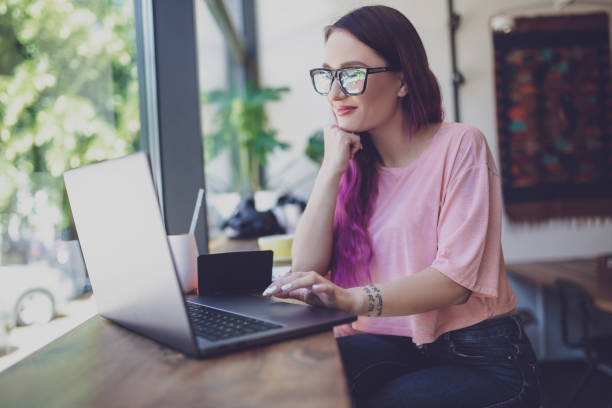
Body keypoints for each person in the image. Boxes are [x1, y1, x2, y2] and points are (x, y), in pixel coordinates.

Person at [262, 5, 540, 408]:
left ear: (403, 81)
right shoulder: (353, 164)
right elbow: (307, 266)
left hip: (480, 358)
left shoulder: (461, 146)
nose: (336, 92)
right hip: (391, 347)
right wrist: (329, 170)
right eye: (329, 75)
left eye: (353, 74)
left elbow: (454, 281)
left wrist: (351, 299)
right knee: (298, 377)